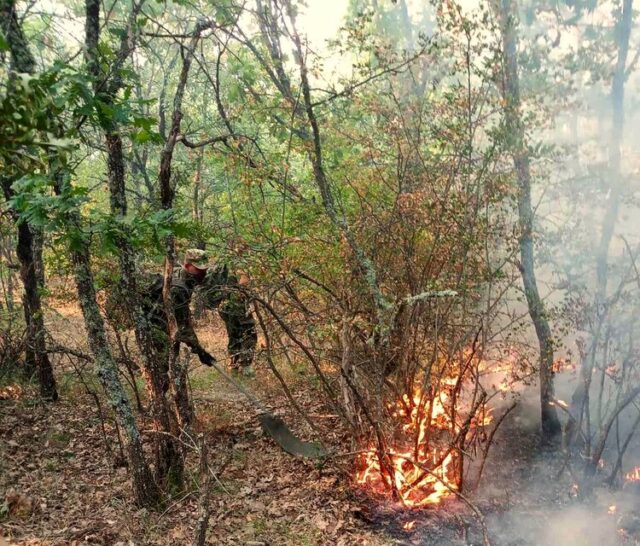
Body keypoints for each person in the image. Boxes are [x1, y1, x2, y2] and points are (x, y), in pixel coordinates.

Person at [143, 249, 216, 391]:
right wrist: (200, 351)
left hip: (164, 325)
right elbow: (182, 327)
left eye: (205, 269)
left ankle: (161, 399)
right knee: (162, 368)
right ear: (188, 266)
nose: (203, 273)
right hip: (157, 327)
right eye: (199, 269)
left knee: (168, 364)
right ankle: (158, 404)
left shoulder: (180, 275)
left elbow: (182, 320)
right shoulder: (179, 287)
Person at [200, 262, 258, 377]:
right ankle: (246, 368)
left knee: (234, 336)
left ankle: (234, 367)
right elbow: (244, 283)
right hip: (236, 305)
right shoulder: (239, 264)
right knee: (249, 333)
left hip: (225, 307)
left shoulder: (228, 264)